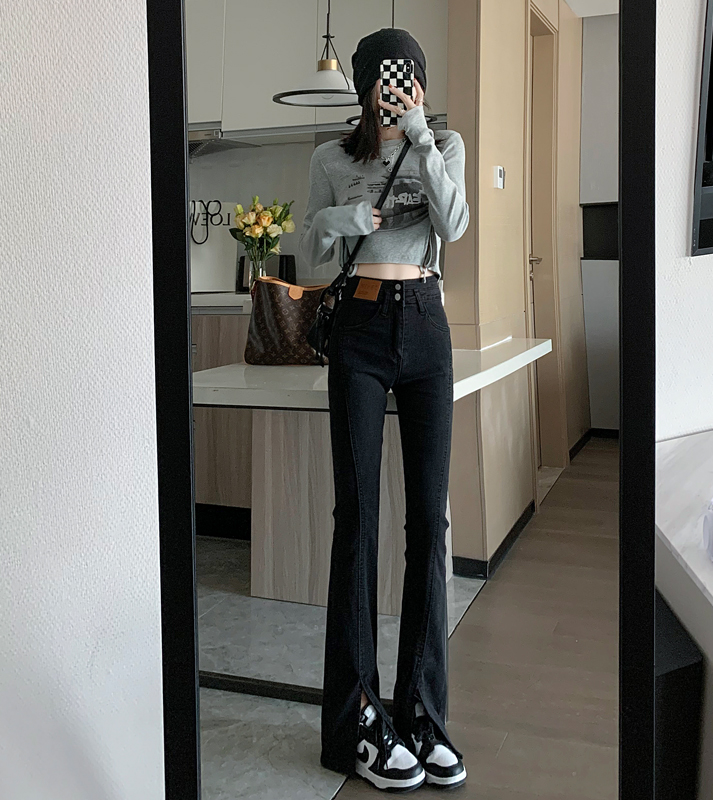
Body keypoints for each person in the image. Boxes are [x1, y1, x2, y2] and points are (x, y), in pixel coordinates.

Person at [299, 27, 469, 793]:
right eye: (387, 78)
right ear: (365, 84)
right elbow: (309, 248)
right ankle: (356, 721)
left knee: (429, 524)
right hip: (361, 330)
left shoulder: (445, 144)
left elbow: (454, 225)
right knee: (358, 521)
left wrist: (423, 137)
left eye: (411, 77)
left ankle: (422, 711)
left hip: (427, 325)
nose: (398, 90)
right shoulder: (331, 159)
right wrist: (347, 222)